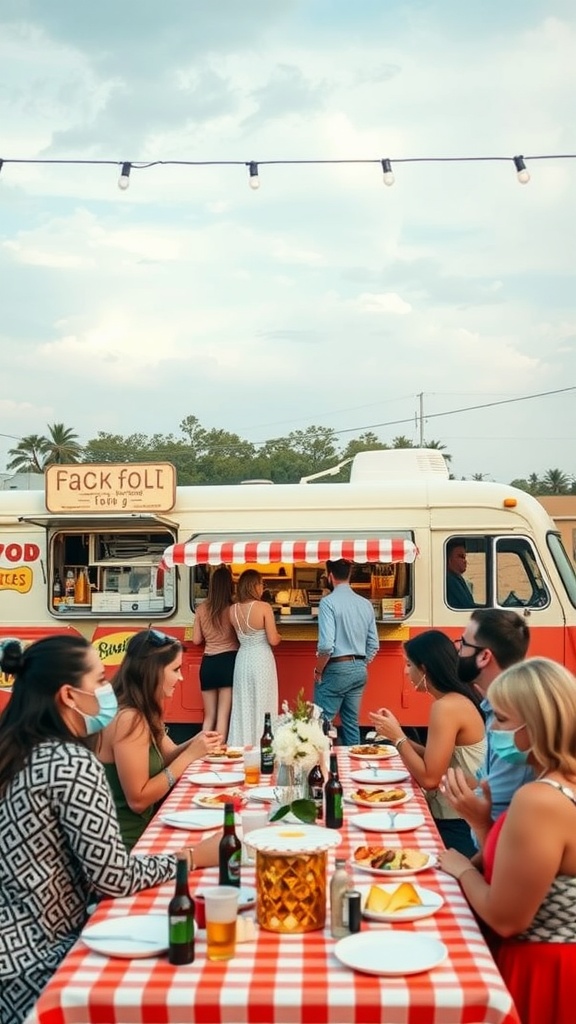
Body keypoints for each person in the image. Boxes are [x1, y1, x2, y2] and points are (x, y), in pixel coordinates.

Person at [0, 635, 220, 1024]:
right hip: (42, 966)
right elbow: (113, 876)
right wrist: (192, 857)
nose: (108, 691)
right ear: (69, 696)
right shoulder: (70, 763)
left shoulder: (18, 750)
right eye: (100, 680)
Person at [439, 658, 576, 1024]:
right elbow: (521, 874)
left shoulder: (540, 799)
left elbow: (505, 918)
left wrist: (461, 869)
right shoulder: (558, 784)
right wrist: (480, 823)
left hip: (541, 971)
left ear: (535, 727)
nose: (491, 728)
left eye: (500, 718)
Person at [97, 629, 222, 851]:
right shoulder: (129, 718)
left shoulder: (143, 710)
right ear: (153, 671)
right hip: (126, 846)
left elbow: (166, 758)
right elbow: (138, 800)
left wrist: (195, 742)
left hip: (145, 831)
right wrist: (190, 755)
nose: (181, 677)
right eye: (175, 669)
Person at [368, 630, 486, 855]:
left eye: (409, 665)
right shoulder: (457, 699)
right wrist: (400, 735)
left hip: (457, 822)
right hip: (465, 817)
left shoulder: (446, 707)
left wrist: (398, 738)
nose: (406, 671)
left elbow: (430, 778)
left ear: (425, 670)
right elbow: (438, 758)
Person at [441, 609, 533, 847]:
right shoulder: (497, 708)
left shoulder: (513, 723)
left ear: (484, 657)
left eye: (463, 643)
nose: (458, 651)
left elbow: (498, 817)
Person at [313, 558, 379, 746]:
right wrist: (359, 663)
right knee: (351, 723)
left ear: (330, 576)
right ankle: (355, 769)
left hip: (336, 668)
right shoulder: (365, 604)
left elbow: (326, 646)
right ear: (349, 574)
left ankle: (321, 768)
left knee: (320, 723)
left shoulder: (328, 603)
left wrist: (318, 671)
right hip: (359, 670)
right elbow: (374, 644)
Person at [227, 569, 281, 747]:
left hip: (242, 659)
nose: (262, 587)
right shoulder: (264, 607)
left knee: (243, 704)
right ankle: (263, 746)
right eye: (261, 583)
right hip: (262, 658)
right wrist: (280, 636)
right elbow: (273, 640)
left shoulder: (232, 610)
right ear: (254, 586)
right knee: (264, 703)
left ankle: (242, 747)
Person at [192, 565, 239, 737]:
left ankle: (201, 750)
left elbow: (196, 639)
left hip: (209, 664)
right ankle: (219, 754)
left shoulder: (201, 609)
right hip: (228, 662)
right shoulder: (233, 609)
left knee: (209, 716)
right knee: (223, 716)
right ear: (230, 586)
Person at [446, 538, 476, 608]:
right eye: (461, 556)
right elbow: (467, 606)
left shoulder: (457, 578)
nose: (465, 561)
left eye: (464, 557)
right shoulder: (449, 580)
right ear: (448, 559)